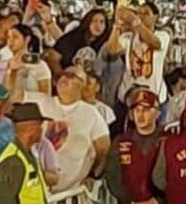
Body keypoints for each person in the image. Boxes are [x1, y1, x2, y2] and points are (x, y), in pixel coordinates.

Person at [7, 64, 109, 193]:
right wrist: (13, 72)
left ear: (83, 84)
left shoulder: (92, 115)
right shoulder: (42, 101)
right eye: (63, 75)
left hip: (70, 193)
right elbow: (11, 96)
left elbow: (103, 149)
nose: (65, 78)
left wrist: (92, 175)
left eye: (72, 76)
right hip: (36, 188)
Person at [103, 89, 162, 204]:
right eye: (137, 110)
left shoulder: (168, 140)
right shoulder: (120, 141)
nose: (140, 114)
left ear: (157, 113)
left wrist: (158, 200)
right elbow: (112, 175)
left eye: (146, 110)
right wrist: (130, 200)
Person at [107, 3, 170, 105]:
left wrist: (136, 22)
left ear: (155, 17)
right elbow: (112, 50)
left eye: (146, 13)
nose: (141, 16)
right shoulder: (129, 36)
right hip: (128, 96)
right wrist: (117, 26)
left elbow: (155, 43)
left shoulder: (163, 35)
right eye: (138, 13)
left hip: (155, 97)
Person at [0, 102, 49, 204]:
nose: (41, 130)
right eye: (40, 125)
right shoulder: (13, 162)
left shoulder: (27, 154)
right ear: (31, 128)